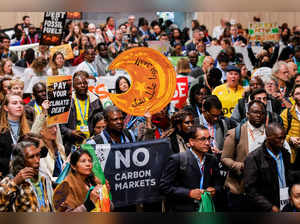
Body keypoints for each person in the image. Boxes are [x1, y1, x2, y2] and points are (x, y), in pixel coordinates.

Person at [159, 126, 222, 212]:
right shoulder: (177, 159)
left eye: (209, 139)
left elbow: (218, 183)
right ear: (191, 142)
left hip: (207, 208)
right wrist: (189, 193)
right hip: (184, 209)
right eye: (202, 139)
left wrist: (214, 189)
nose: (207, 143)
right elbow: (164, 187)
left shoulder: (212, 160)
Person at [221, 100, 267, 211]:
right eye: (255, 112)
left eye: (262, 113)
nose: (258, 115)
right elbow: (224, 158)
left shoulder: (270, 133)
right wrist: (240, 166)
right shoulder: (235, 133)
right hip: (239, 189)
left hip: (263, 190)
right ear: (247, 114)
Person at [243, 123, 292, 212]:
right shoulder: (254, 158)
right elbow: (250, 189)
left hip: (286, 204)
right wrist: (269, 207)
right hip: (266, 208)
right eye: (279, 138)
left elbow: (290, 176)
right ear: (269, 138)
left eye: (284, 137)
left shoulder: (285, 154)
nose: (283, 141)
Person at [0, 141, 53, 212]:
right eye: (31, 157)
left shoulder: (44, 177)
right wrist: (15, 182)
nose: (37, 160)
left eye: (38, 155)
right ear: (21, 161)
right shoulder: (10, 180)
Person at [60, 71, 103, 155]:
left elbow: (101, 122)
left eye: (85, 83)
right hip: (71, 144)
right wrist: (70, 132)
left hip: (92, 143)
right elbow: (60, 125)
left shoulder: (95, 100)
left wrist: (95, 136)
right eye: (79, 83)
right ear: (73, 86)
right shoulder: (66, 101)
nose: (82, 85)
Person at [0, 94, 30, 178]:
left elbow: (42, 152)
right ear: (6, 108)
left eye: (21, 103)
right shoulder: (1, 129)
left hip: (26, 175)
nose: (19, 105)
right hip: (5, 177)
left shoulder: (28, 127)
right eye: (14, 103)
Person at [281, 84, 300, 170]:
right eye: (297, 93)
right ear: (292, 97)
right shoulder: (286, 113)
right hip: (292, 157)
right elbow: (280, 134)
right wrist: (290, 139)